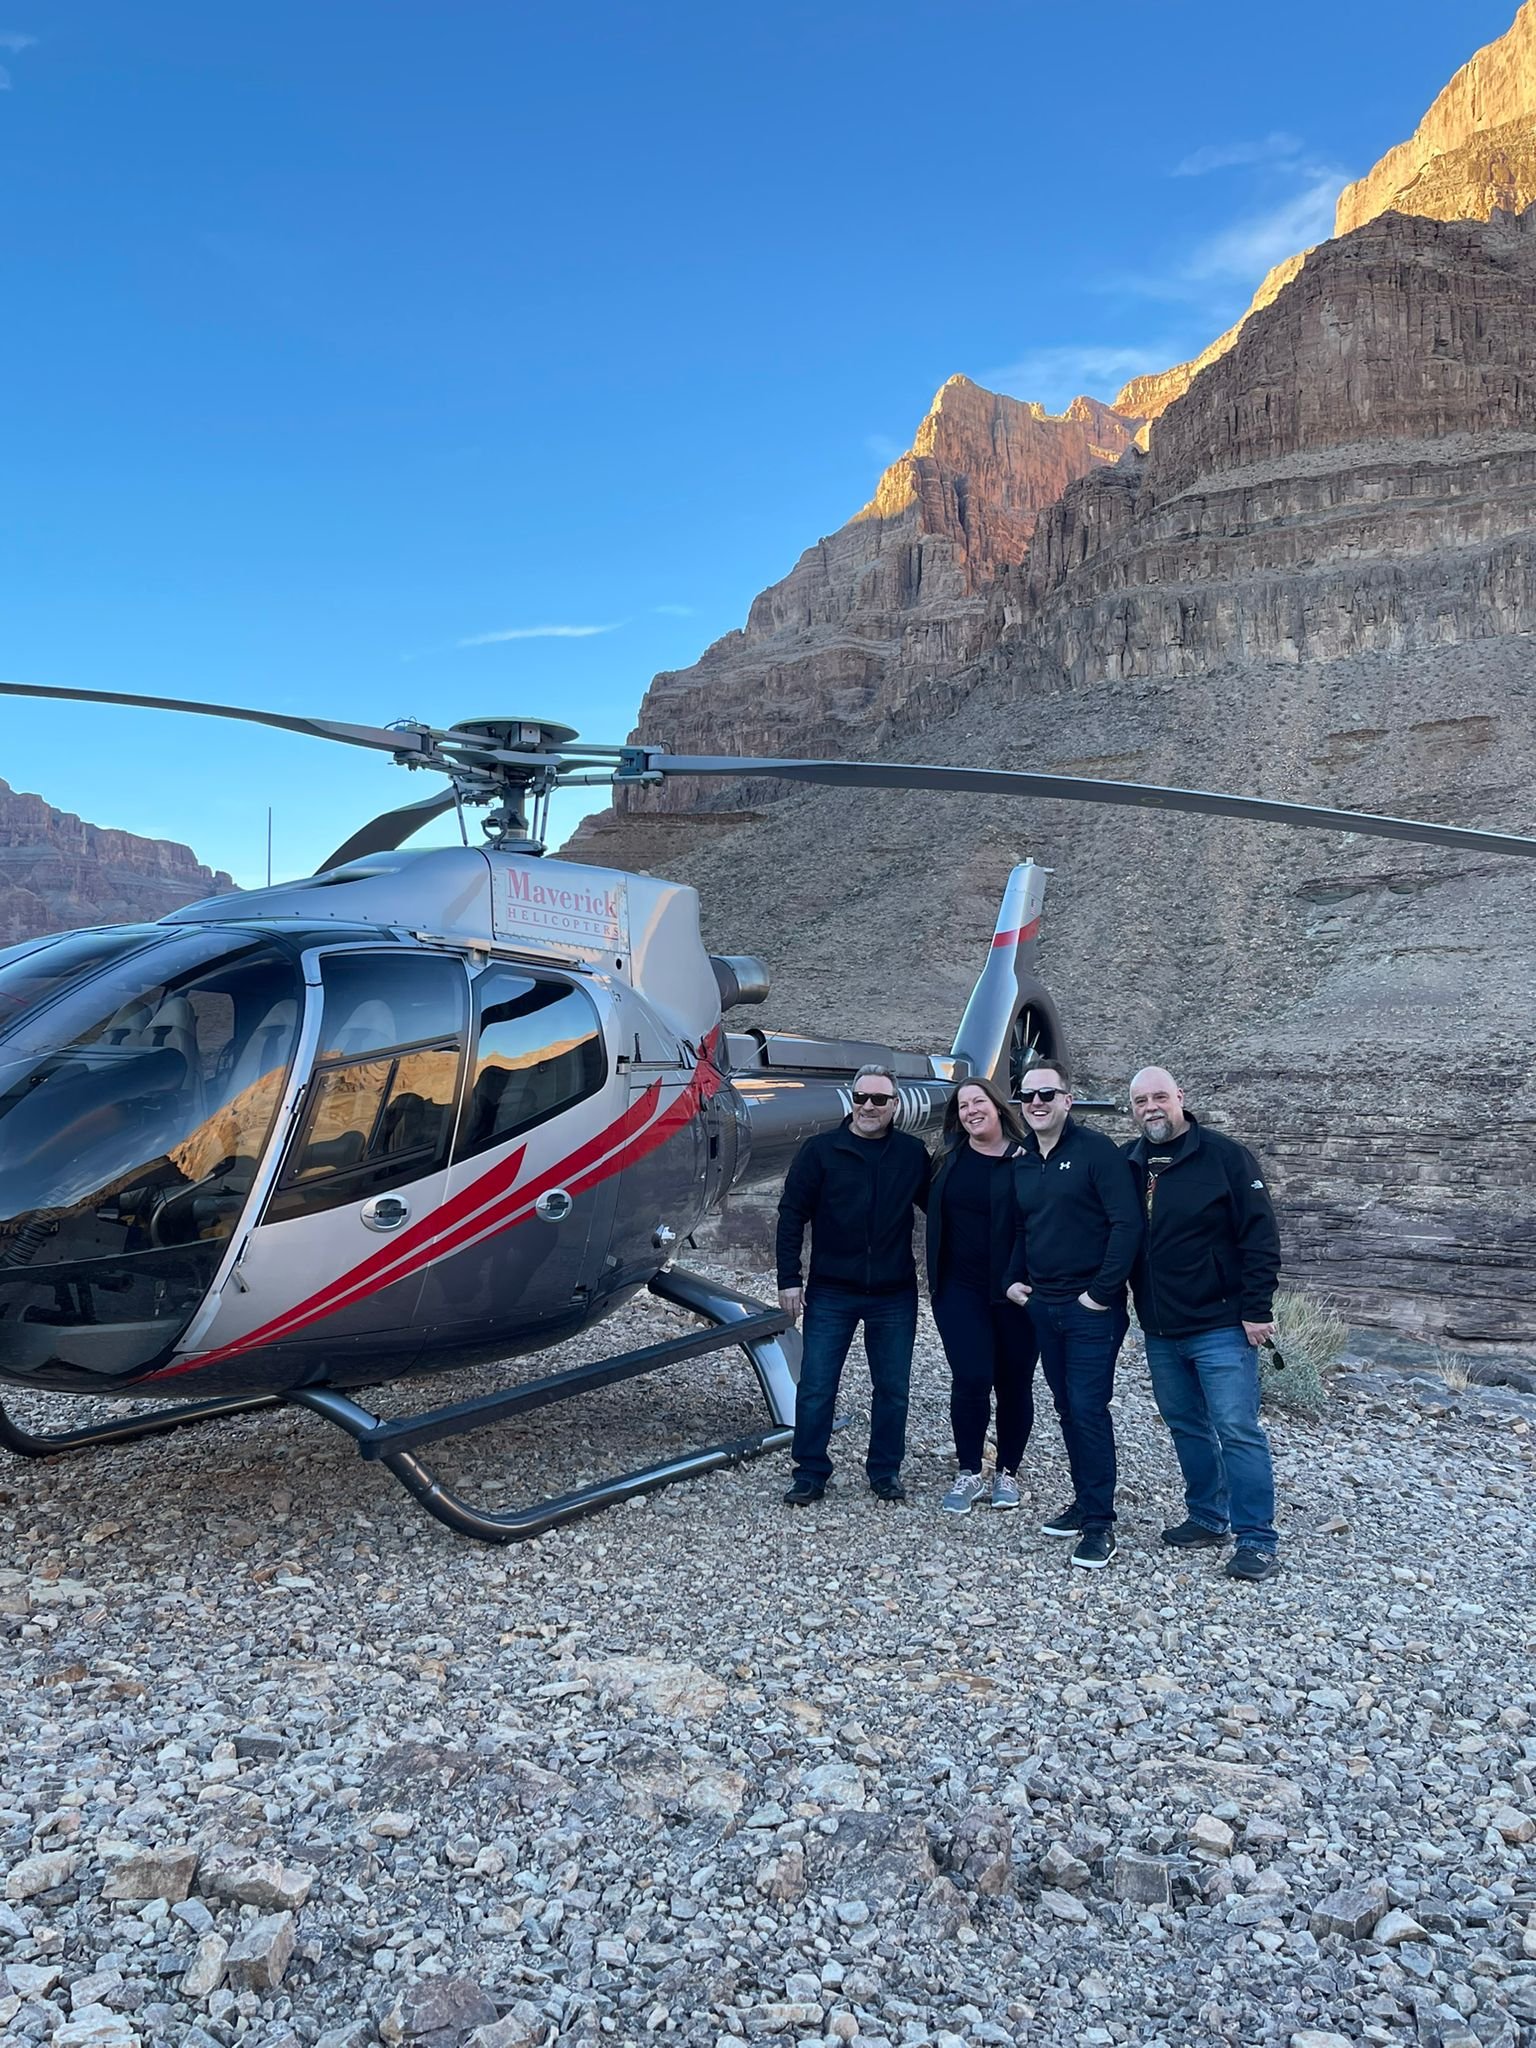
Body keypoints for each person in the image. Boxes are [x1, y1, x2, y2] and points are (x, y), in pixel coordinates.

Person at [1123, 1065, 1283, 1583]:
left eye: (1160, 1097)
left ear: (1180, 1099)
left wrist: (1256, 1308)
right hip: (1159, 1327)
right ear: (1132, 1109)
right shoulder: (1130, 1161)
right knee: (1186, 1424)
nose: (1152, 1107)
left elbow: (1259, 1237)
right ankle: (1207, 1518)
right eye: (1141, 1101)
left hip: (1220, 1325)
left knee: (1237, 1429)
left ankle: (1256, 1539)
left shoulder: (1225, 1157)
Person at [1003, 1060, 1141, 1569]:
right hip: (1044, 1307)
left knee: (1087, 1408)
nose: (1036, 1102)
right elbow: (1025, 1228)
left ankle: (1101, 1524)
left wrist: (1100, 1295)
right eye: (1027, 1096)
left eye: (1047, 1093)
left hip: (1091, 1312)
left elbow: (1126, 1225)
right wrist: (1013, 1280)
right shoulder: (1024, 1161)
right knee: (1068, 1409)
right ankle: (1085, 1502)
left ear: (1068, 1099)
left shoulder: (1096, 1152)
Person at [776, 1065, 930, 1505]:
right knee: (817, 1385)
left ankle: (884, 1471)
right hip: (831, 1292)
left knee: (893, 1388)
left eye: (879, 1100)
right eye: (861, 1097)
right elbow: (791, 1216)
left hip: (893, 1293)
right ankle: (809, 1472)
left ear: (894, 1106)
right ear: (851, 1100)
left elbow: (946, 1207)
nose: (868, 1106)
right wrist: (790, 1279)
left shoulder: (912, 1154)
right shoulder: (820, 1152)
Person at [926, 1077, 1037, 1514]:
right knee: (971, 1377)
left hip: (1019, 1292)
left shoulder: (1029, 1159)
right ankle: (969, 1469)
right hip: (959, 1288)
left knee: (1015, 1383)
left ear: (997, 1106)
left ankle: (1007, 1471)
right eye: (964, 1105)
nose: (972, 1110)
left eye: (979, 1102)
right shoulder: (947, 1159)